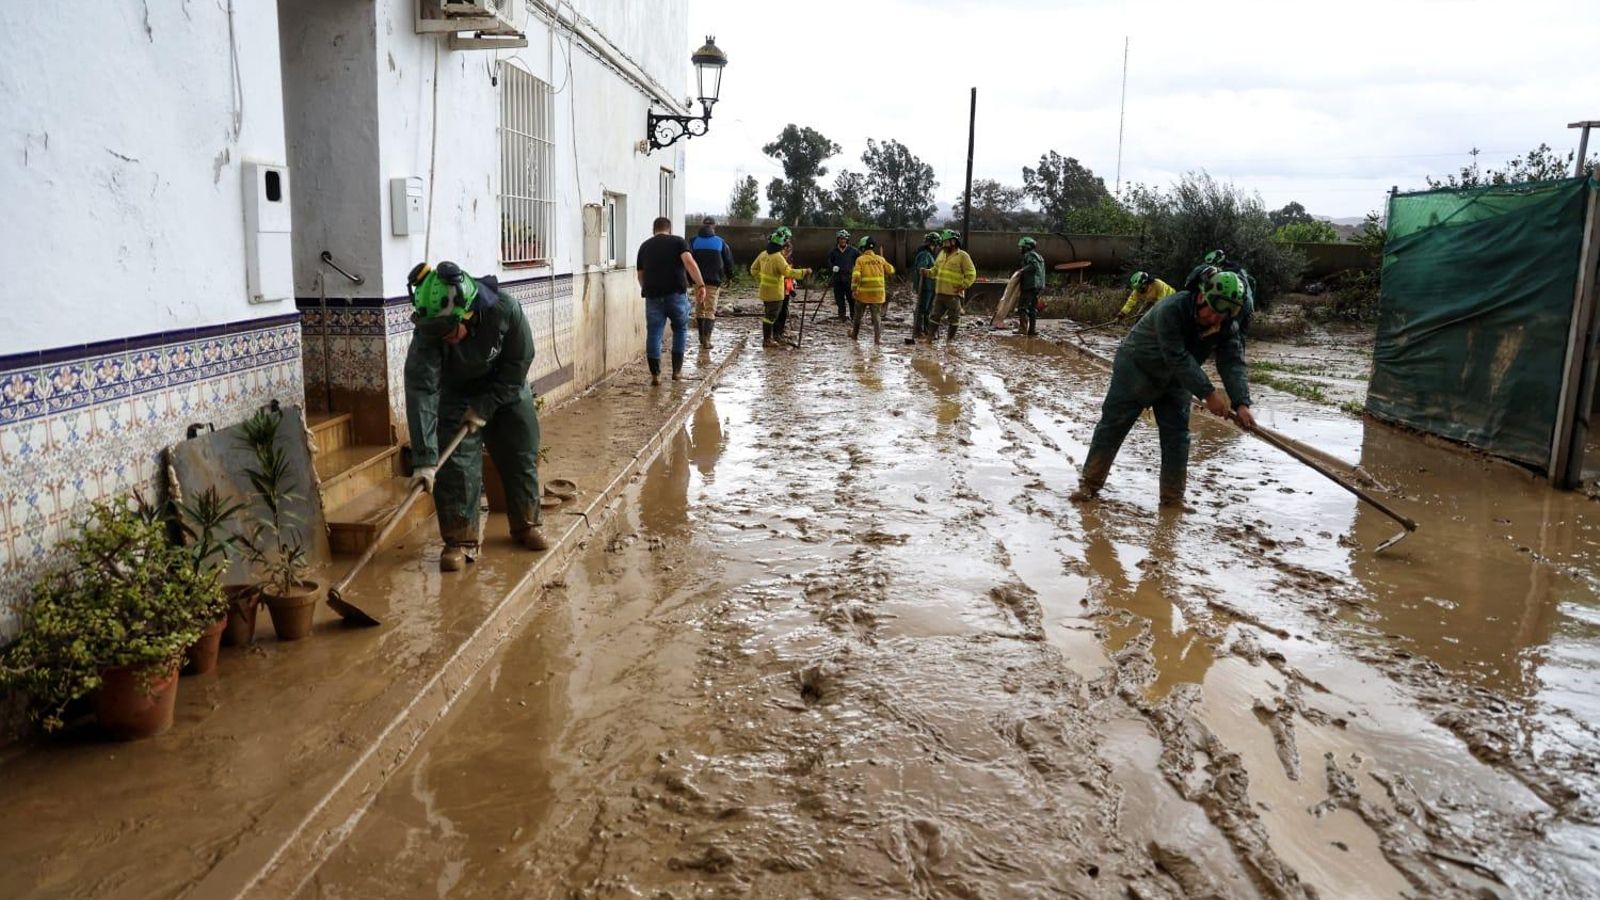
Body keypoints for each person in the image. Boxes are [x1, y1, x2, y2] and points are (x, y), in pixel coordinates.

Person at [403, 260, 548, 572]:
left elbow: (519, 363)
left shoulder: (506, 310)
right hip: (455, 394)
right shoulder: (430, 331)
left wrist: (485, 406)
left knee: (520, 451)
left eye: (448, 331)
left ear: (467, 311)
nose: (443, 338)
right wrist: (425, 460)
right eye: (437, 333)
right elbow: (421, 389)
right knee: (456, 468)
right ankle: (459, 541)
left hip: (505, 389)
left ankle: (526, 524)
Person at [1070, 269, 1256, 509]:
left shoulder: (1225, 324)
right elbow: (1176, 355)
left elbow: (1232, 362)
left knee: (1177, 438)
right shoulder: (1172, 309)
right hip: (1137, 368)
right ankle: (1089, 485)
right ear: (1201, 297)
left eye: (1223, 316)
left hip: (1175, 381)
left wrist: (1241, 403)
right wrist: (1208, 394)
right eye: (1213, 312)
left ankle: (1172, 499)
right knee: (1113, 426)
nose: (1215, 320)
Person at [636, 216, 708, 385]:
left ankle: (656, 375)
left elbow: (640, 275)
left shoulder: (645, 246)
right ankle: (676, 372)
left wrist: (646, 289)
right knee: (680, 329)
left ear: (654, 230)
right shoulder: (678, 242)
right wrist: (701, 285)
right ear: (670, 229)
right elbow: (689, 263)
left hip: (653, 296)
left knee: (654, 332)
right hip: (675, 294)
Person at [751, 231, 811, 347]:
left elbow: (753, 269)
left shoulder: (763, 254)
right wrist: (804, 272)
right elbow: (788, 272)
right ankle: (768, 340)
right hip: (776, 293)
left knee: (769, 315)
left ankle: (770, 338)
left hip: (764, 291)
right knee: (771, 316)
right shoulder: (778, 257)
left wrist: (761, 279)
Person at [689, 216, 736, 350]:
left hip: (697, 281)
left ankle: (701, 336)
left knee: (700, 307)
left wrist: (689, 278)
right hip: (713, 281)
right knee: (710, 309)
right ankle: (707, 340)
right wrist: (730, 277)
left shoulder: (693, 241)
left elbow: (687, 260)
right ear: (714, 226)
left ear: (702, 225)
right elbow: (728, 261)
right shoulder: (720, 242)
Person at [923, 229, 976, 342]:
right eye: (943, 242)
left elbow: (971, 274)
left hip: (953, 294)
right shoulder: (942, 254)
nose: (944, 244)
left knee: (954, 318)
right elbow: (935, 270)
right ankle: (929, 338)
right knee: (934, 316)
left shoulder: (962, 256)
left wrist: (964, 285)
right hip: (940, 293)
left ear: (954, 242)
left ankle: (949, 341)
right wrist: (927, 272)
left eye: (946, 242)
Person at [1185, 249, 1255, 335]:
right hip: (1243, 305)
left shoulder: (1227, 273)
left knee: (1231, 332)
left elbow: (1189, 283)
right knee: (1238, 333)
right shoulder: (1237, 269)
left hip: (1239, 306)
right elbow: (1252, 281)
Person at [849, 236, 895, 344]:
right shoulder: (880, 259)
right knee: (876, 317)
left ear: (862, 247)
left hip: (863, 294)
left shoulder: (860, 260)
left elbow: (856, 276)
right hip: (878, 294)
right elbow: (891, 270)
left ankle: (854, 335)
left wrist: (854, 289)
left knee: (858, 316)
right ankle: (877, 339)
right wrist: (883, 263)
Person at [827, 229, 861, 322]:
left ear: (847, 240)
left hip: (849, 278)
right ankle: (842, 316)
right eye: (841, 239)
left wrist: (857, 271)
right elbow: (829, 261)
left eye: (844, 239)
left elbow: (859, 261)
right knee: (839, 298)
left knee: (851, 298)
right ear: (838, 239)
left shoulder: (853, 251)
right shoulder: (833, 251)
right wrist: (832, 267)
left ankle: (853, 316)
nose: (842, 240)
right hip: (837, 278)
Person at [912, 231, 940, 338]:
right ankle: (918, 331)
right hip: (925, 287)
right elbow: (921, 269)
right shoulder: (924, 254)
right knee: (922, 309)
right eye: (937, 245)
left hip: (931, 286)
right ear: (933, 243)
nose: (938, 248)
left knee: (927, 310)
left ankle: (927, 331)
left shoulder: (930, 255)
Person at [1016, 236, 1046, 336]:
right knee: (1032, 308)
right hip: (1038, 286)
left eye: (1021, 247)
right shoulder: (1038, 256)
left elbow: (1033, 266)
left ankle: (1023, 329)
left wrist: (1022, 270)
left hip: (1030, 285)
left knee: (1022, 307)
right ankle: (1032, 330)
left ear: (1027, 247)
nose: (1020, 249)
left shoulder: (1029, 255)